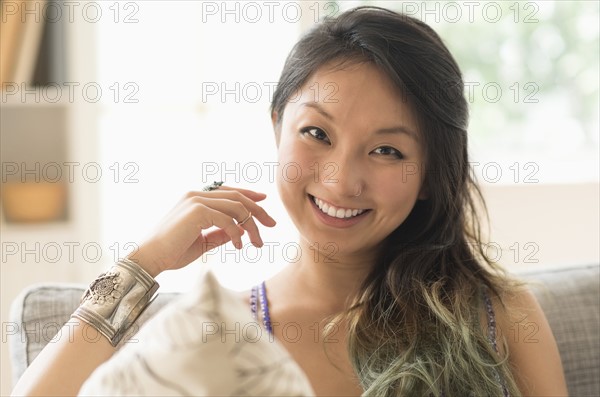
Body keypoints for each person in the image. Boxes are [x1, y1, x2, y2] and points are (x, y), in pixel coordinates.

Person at [12, 6, 568, 397]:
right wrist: (144, 262)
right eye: (317, 134)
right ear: (277, 126)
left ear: (429, 174)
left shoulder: (496, 313)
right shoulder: (220, 331)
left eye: (386, 150)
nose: (341, 179)